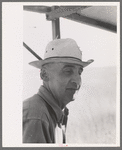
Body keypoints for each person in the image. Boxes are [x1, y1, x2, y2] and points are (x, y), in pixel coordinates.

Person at [23, 38, 94, 143]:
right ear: (44, 75)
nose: (77, 80)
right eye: (68, 71)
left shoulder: (54, 111)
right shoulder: (36, 115)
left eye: (79, 72)